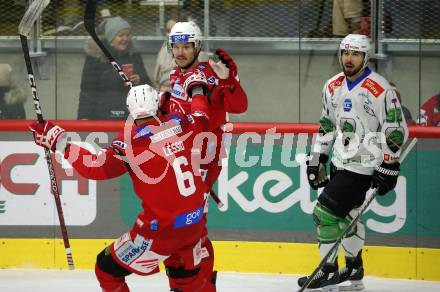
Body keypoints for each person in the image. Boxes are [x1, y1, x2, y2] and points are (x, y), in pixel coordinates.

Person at [30, 81, 216, 292]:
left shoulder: (130, 143)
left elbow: (95, 167)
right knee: (186, 282)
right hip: (193, 224)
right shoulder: (182, 122)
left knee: (106, 269)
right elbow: (202, 115)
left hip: (160, 231)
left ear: (129, 110)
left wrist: (60, 142)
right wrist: (198, 90)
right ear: (157, 104)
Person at [298, 34, 408, 291]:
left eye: (355, 53)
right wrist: (318, 158)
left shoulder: (380, 88)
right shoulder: (332, 85)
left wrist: (389, 165)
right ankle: (354, 266)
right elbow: (326, 125)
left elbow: (396, 129)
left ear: (365, 57)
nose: (349, 58)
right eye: (345, 53)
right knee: (348, 216)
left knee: (323, 214)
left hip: (364, 165)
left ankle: (327, 271)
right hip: (340, 161)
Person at [161, 21, 248, 290]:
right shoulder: (176, 75)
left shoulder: (211, 73)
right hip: (181, 163)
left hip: (202, 164)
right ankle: (187, 283)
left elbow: (240, 106)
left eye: (187, 46)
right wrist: (160, 105)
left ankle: (199, 285)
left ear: (197, 46)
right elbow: (178, 116)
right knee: (181, 229)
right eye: (176, 46)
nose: (181, 52)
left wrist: (229, 81)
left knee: (193, 231)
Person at [77, 16, 152, 120]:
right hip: (102, 117)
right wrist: (84, 117)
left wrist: (139, 80)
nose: (125, 39)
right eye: (121, 35)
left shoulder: (134, 56)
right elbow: (87, 91)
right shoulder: (96, 58)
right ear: (110, 37)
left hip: (131, 117)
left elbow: (148, 87)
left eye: (127, 35)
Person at [153, 18, 177, 92]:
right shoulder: (163, 51)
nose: (169, 34)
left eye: (174, 30)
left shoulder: (195, 54)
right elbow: (156, 79)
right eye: (168, 31)